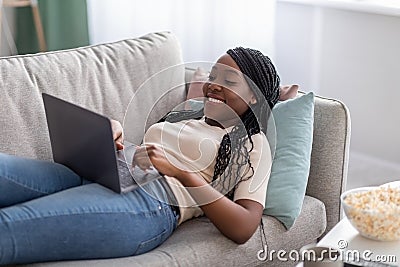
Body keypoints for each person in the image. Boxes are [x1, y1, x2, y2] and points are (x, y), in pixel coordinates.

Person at [0, 47, 281, 265]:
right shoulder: (190, 115)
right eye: (212, 77)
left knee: (7, 228)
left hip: (150, 202)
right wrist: (118, 138)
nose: (213, 85)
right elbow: (151, 155)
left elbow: (244, 226)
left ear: (254, 97)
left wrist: (181, 173)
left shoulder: (253, 143)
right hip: (103, 170)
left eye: (229, 80)